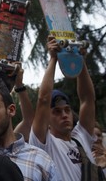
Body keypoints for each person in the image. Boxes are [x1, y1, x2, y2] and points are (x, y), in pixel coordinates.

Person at [29, 36, 105, 180]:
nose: (64, 115)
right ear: (47, 119)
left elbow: (88, 99)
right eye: (56, 112)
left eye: (67, 110)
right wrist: (53, 59)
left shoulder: (81, 138)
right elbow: (43, 99)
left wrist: (80, 60)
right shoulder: (44, 143)